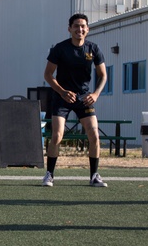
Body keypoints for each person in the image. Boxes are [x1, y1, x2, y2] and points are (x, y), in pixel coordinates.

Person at [43, 13, 108, 188]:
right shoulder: (60, 48)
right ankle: (49, 175)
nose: (80, 29)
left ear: (87, 29)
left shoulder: (93, 49)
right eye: (76, 26)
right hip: (61, 97)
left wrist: (95, 94)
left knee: (94, 134)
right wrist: (62, 92)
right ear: (70, 29)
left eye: (83, 26)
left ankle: (94, 175)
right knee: (57, 135)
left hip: (84, 97)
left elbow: (103, 76)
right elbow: (48, 75)